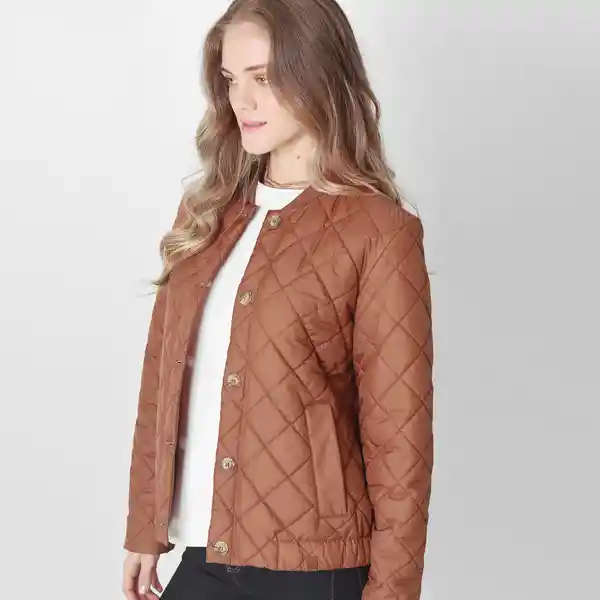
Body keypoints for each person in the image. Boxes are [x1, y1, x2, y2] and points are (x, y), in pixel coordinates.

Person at [121, 1, 435, 599]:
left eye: (262, 77)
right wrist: (145, 523)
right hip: (203, 551)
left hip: (314, 570)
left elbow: (401, 442)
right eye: (230, 79)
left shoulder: (378, 231)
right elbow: (159, 378)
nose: (241, 100)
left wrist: (393, 592)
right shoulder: (206, 216)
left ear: (317, 72)